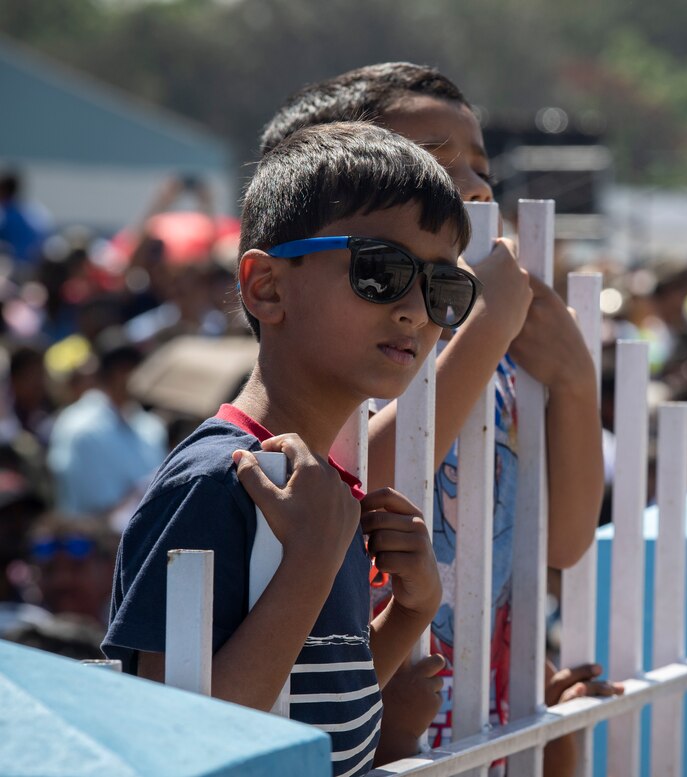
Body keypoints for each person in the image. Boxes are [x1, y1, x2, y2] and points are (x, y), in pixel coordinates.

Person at [259, 63, 612, 772]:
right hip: (378, 701)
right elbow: (349, 483)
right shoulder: (355, 341)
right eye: (435, 160)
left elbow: (564, 540)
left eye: (481, 169)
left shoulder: (500, 349)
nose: (476, 188)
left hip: (486, 695)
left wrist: (574, 376)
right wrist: (486, 328)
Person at [103, 121, 465, 776]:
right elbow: (174, 743)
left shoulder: (320, 492)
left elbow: (306, 696)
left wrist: (411, 612)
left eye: (444, 287)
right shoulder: (219, 480)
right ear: (266, 287)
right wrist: (311, 561)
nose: (416, 308)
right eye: (380, 271)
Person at [46, 329, 168, 523]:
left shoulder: (150, 426)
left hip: (143, 539)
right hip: (88, 546)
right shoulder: (79, 427)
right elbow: (95, 511)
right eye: (125, 368)